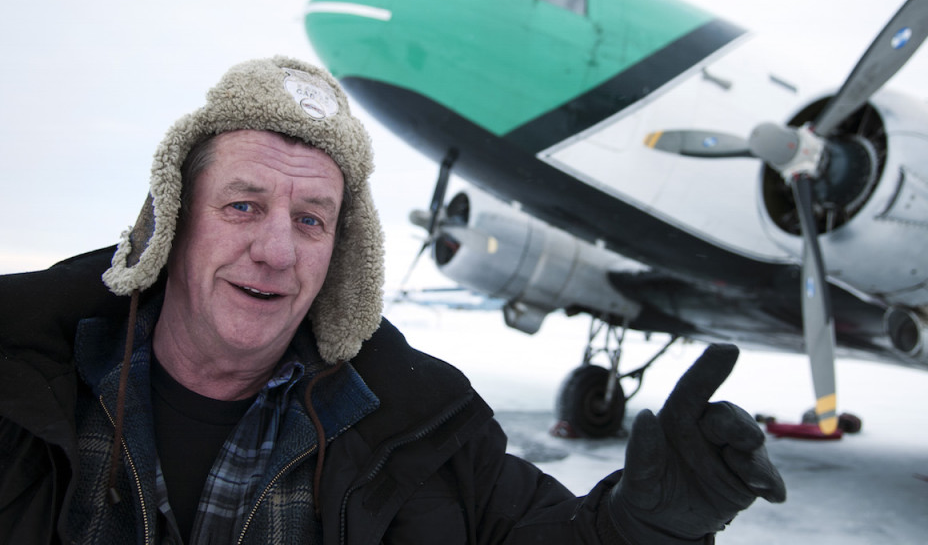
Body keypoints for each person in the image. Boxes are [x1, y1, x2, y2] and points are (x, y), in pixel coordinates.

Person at [0, 56, 785, 544]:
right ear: (170, 222)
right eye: (242, 205)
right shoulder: (17, 383)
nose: (277, 250)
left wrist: (647, 529)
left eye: (312, 220)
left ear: (340, 253)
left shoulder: (430, 430)